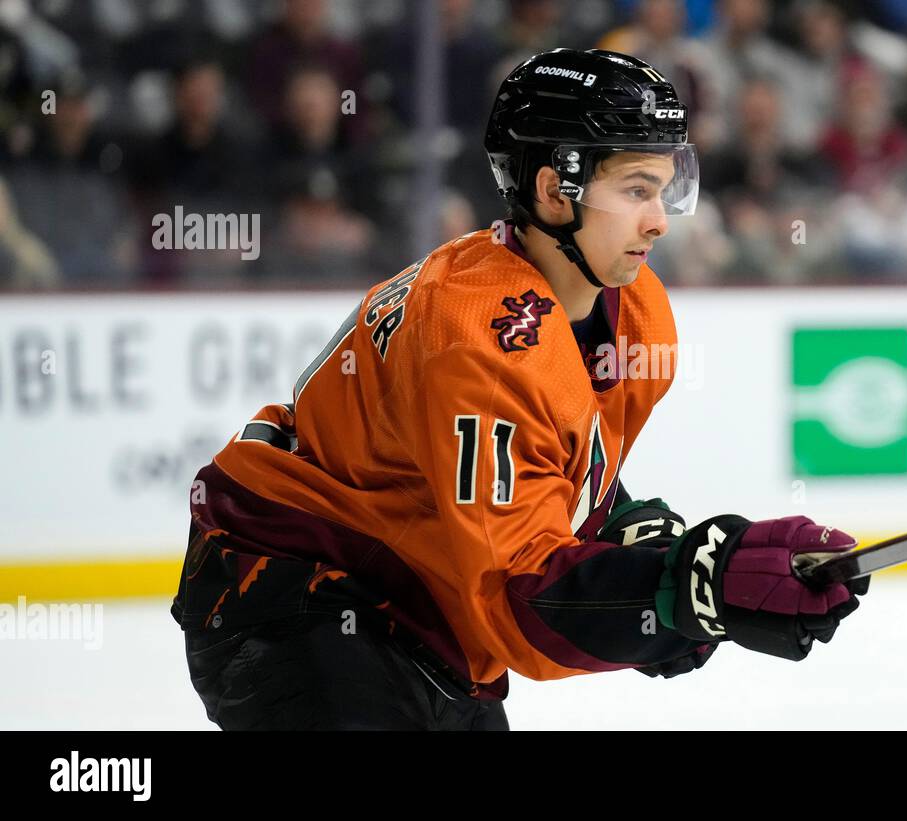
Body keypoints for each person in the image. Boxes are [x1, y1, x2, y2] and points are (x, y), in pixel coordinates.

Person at [171, 48, 871, 731]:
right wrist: (690, 588)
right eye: (634, 190)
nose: (659, 219)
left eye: (665, 188)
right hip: (289, 591)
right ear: (550, 189)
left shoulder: (633, 306)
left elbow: (550, 465)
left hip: (415, 606)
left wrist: (630, 546)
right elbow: (522, 603)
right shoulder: (477, 335)